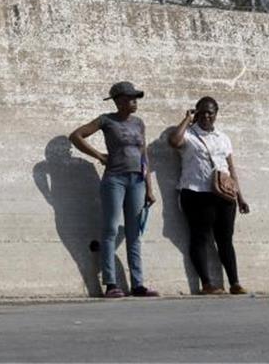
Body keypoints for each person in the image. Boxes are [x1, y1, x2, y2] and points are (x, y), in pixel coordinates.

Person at [69, 81, 159, 298]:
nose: (134, 101)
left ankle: (138, 284)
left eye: (135, 97)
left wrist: (149, 187)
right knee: (110, 229)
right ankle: (110, 284)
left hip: (137, 180)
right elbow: (76, 136)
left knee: (133, 233)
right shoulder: (106, 120)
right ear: (118, 100)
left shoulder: (139, 123)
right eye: (130, 98)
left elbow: (144, 155)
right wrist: (99, 156)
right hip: (114, 180)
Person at [168, 96, 250, 295]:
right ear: (196, 112)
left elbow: (230, 167)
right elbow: (174, 141)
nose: (206, 116)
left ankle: (234, 282)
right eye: (202, 112)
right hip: (196, 193)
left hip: (224, 194)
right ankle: (206, 284)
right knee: (200, 237)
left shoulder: (223, 137)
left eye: (210, 113)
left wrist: (240, 196)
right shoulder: (188, 134)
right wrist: (187, 119)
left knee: (225, 239)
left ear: (216, 114)